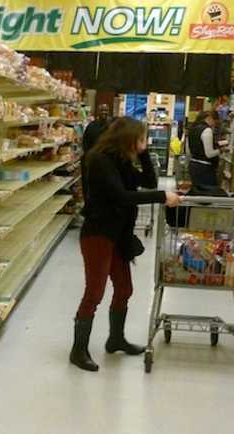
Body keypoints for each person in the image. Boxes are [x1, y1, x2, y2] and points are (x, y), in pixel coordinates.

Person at [72, 117, 181, 372]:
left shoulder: (119, 160)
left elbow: (149, 182)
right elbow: (122, 196)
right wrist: (162, 197)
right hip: (98, 234)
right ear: (126, 138)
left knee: (124, 288)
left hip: (119, 234)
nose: (144, 143)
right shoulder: (98, 160)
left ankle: (116, 339)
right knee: (94, 293)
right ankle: (78, 350)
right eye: (141, 138)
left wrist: (143, 154)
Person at [186, 111, 221, 189]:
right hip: (204, 168)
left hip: (193, 165)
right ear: (209, 118)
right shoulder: (207, 130)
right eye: (215, 121)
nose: (215, 124)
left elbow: (188, 151)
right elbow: (209, 154)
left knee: (198, 194)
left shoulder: (192, 129)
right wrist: (221, 150)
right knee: (208, 194)